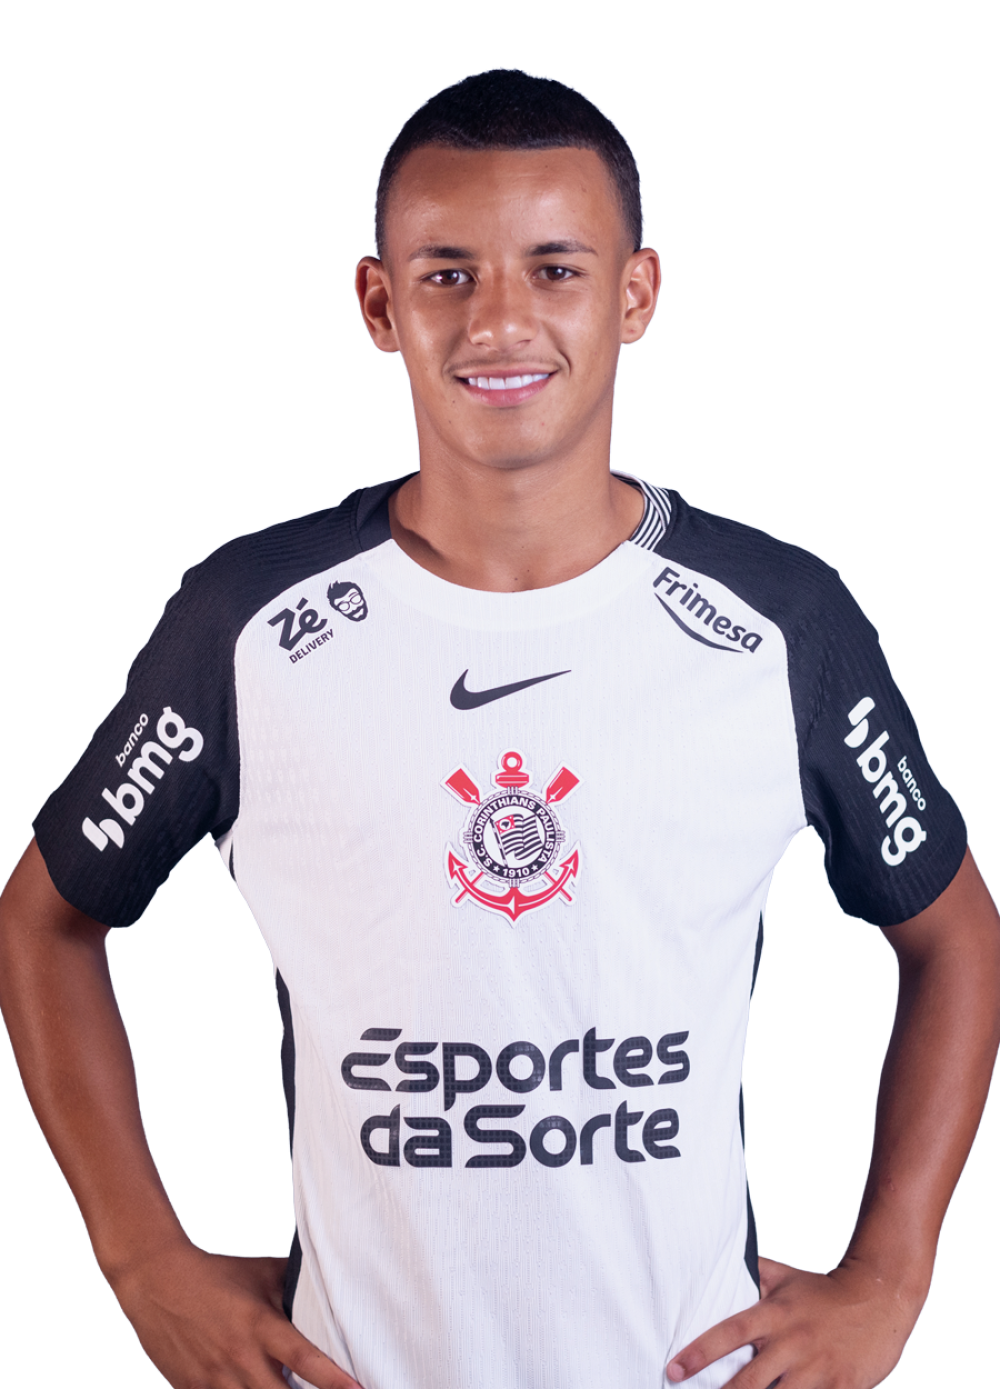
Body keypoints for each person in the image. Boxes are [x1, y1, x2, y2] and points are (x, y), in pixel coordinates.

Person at [1, 67, 997, 1389]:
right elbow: (47, 917)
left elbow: (952, 930)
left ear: (635, 295)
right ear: (380, 304)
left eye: (555, 269)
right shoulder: (248, 623)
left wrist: (892, 1276)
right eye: (449, 274)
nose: (501, 321)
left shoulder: (782, 622)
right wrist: (142, 1260)